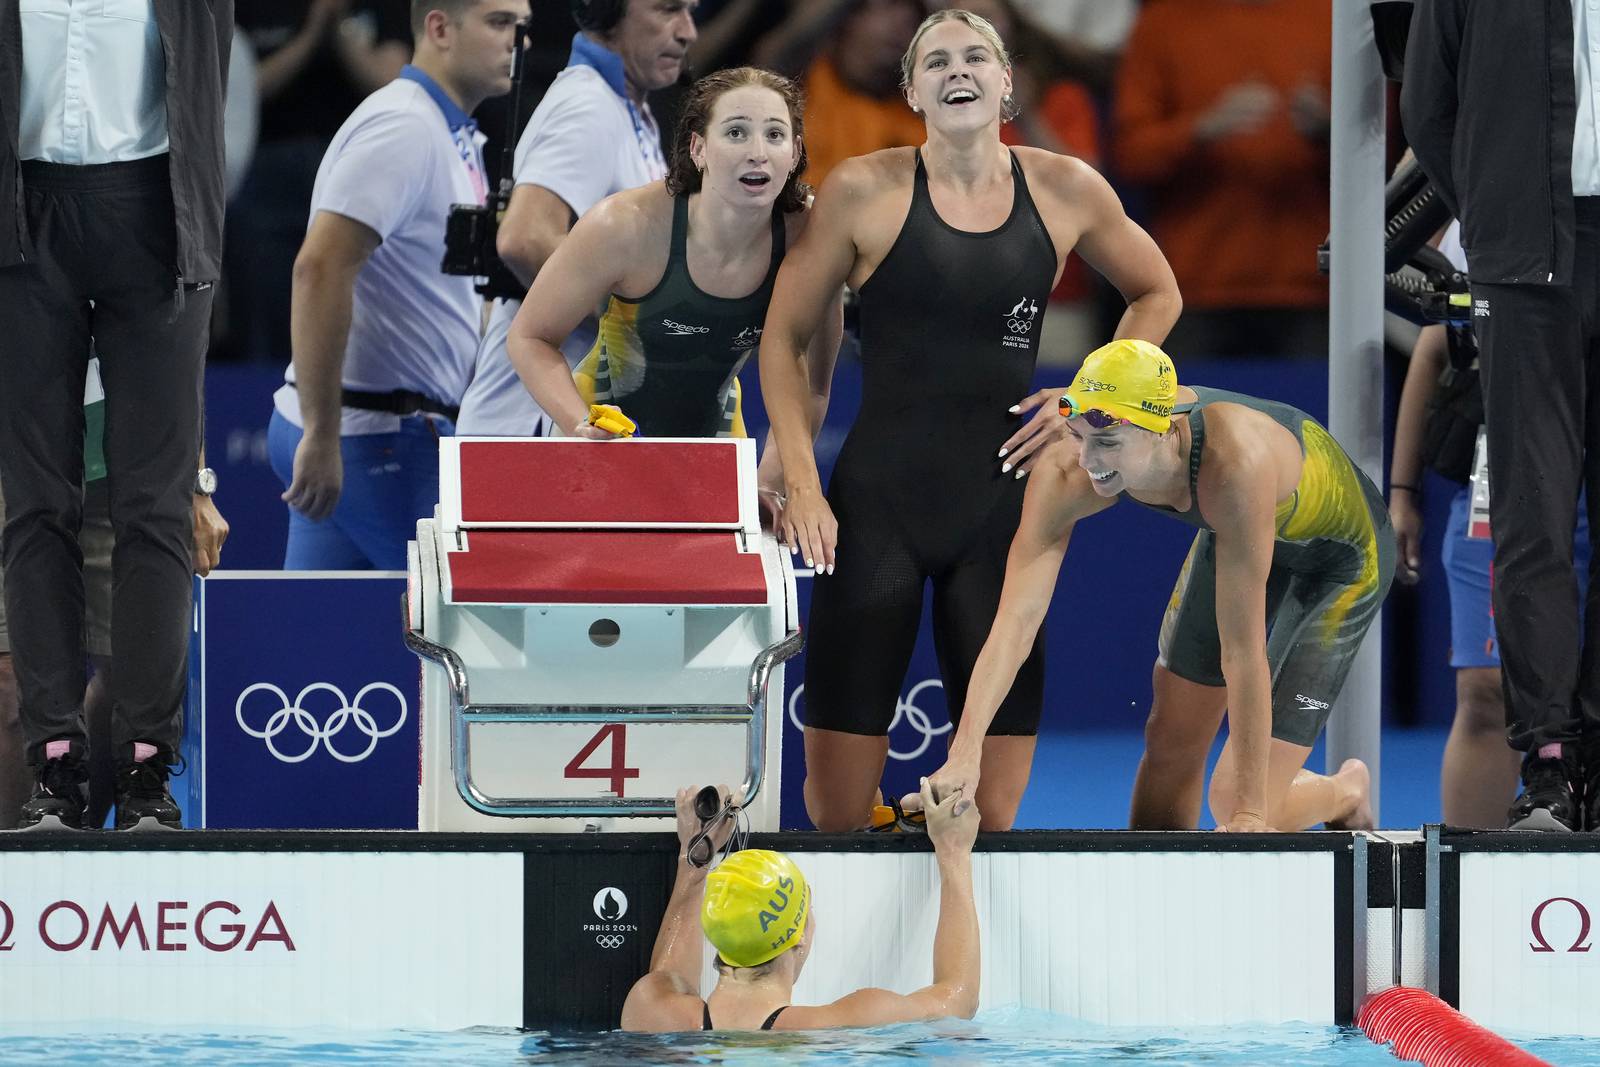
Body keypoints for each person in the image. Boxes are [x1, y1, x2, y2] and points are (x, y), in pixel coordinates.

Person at [759, 8, 1181, 831]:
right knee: (837, 811)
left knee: (991, 812)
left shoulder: (1066, 187)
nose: (959, 70)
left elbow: (1157, 291)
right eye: (938, 60)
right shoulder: (861, 189)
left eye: (976, 56)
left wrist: (1088, 395)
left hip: (1002, 510)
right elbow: (783, 338)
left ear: (1007, 81)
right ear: (913, 89)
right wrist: (803, 483)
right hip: (874, 509)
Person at [922, 339, 1390, 831]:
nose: (1086, 459)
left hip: (1341, 563)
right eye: (1078, 435)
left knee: (1236, 801)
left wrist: (1250, 816)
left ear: (1165, 427)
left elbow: (1242, 652)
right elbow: (1015, 620)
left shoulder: (1233, 464)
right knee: (1170, 741)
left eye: (1107, 443)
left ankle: (1345, 792)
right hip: (1233, 532)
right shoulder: (1066, 469)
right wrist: (965, 752)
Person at [0, 1, 231, 830]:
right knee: (35, 504)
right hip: (22, 207)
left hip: (157, 207)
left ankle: (145, 770)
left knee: (155, 509)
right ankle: (54, 762)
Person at [1404, 0, 1600, 832]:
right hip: (1527, 256)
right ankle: (1551, 759)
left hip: (1524, 249)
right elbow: (1427, 105)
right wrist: (1494, 210)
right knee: (1532, 516)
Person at [503, 67, 842, 508]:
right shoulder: (625, 226)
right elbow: (530, 338)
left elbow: (813, 387)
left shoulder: (811, 237)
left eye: (775, 135)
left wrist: (768, 482)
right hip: (600, 433)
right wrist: (579, 425)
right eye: (736, 133)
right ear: (698, 148)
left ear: (795, 152)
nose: (758, 152)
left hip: (716, 441)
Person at [268, 0, 520, 569]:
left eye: (522, 26)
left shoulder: (451, 132)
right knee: (459, 636)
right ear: (438, 28)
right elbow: (321, 267)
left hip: (368, 431)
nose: (517, 41)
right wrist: (322, 432)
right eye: (500, 22)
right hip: (374, 438)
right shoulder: (405, 127)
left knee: (320, 643)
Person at [1389, 224, 1591, 828]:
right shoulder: (1486, 201)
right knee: (1484, 693)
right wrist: (1403, 492)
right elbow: (1435, 349)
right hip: (1502, 487)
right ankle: (1468, 878)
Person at [455, 0, 696, 437]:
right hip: (529, 425)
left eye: (690, 11)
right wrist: (643, 325)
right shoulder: (588, 105)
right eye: (668, 10)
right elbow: (525, 238)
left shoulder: (628, 110)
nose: (688, 31)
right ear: (607, 11)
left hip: (570, 425)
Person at [620, 777, 980, 1031]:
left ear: (716, 933)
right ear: (800, 935)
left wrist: (693, 860)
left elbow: (670, 981)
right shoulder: (843, 1027)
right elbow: (957, 1001)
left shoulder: (650, 1009)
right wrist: (953, 851)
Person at [1113, 0, 1332, 360]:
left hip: (1310, 285)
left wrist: (1328, 131)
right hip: (1193, 287)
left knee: (1316, 417)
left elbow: (1385, 158)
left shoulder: (1334, 17)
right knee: (1178, 415)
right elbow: (1130, 157)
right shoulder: (1163, 22)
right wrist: (1201, 129)